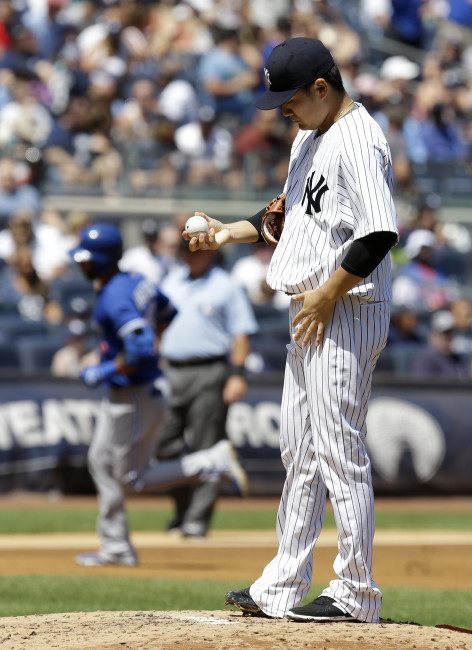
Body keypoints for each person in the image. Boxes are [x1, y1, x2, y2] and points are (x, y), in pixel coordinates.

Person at [184, 37, 399, 623]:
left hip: (345, 306)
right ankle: (280, 585)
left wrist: (329, 294)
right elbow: (292, 215)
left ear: (322, 88)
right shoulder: (312, 133)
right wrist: (230, 231)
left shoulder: (360, 139)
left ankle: (356, 592)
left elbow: (380, 233)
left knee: (337, 448)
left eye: (290, 99)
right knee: (298, 450)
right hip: (312, 308)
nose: (283, 110)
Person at [70, 222, 248, 567]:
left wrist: (104, 369)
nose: (81, 264)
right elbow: (167, 312)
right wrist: (133, 351)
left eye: (86, 259)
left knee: (129, 478)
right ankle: (115, 545)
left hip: (135, 393)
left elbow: (138, 349)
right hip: (140, 390)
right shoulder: (135, 280)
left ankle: (212, 462)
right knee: (100, 462)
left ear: (100, 260)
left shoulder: (114, 294)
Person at [157, 243, 258, 538]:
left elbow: (241, 333)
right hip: (170, 370)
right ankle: (182, 508)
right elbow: (157, 325)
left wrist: (237, 375)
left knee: (207, 445)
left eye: (196, 249)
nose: (190, 254)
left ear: (210, 251)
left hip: (210, 370)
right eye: (185, 249)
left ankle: (198, 518)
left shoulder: (225, 285)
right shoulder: (172, 281)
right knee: (163, 445)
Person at [411, 308, 471, 378]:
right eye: (444, 333)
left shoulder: (458, 357)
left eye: (451, 332)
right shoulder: (425, 358)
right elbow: (420, 386)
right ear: (433, 335)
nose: (449, 336)